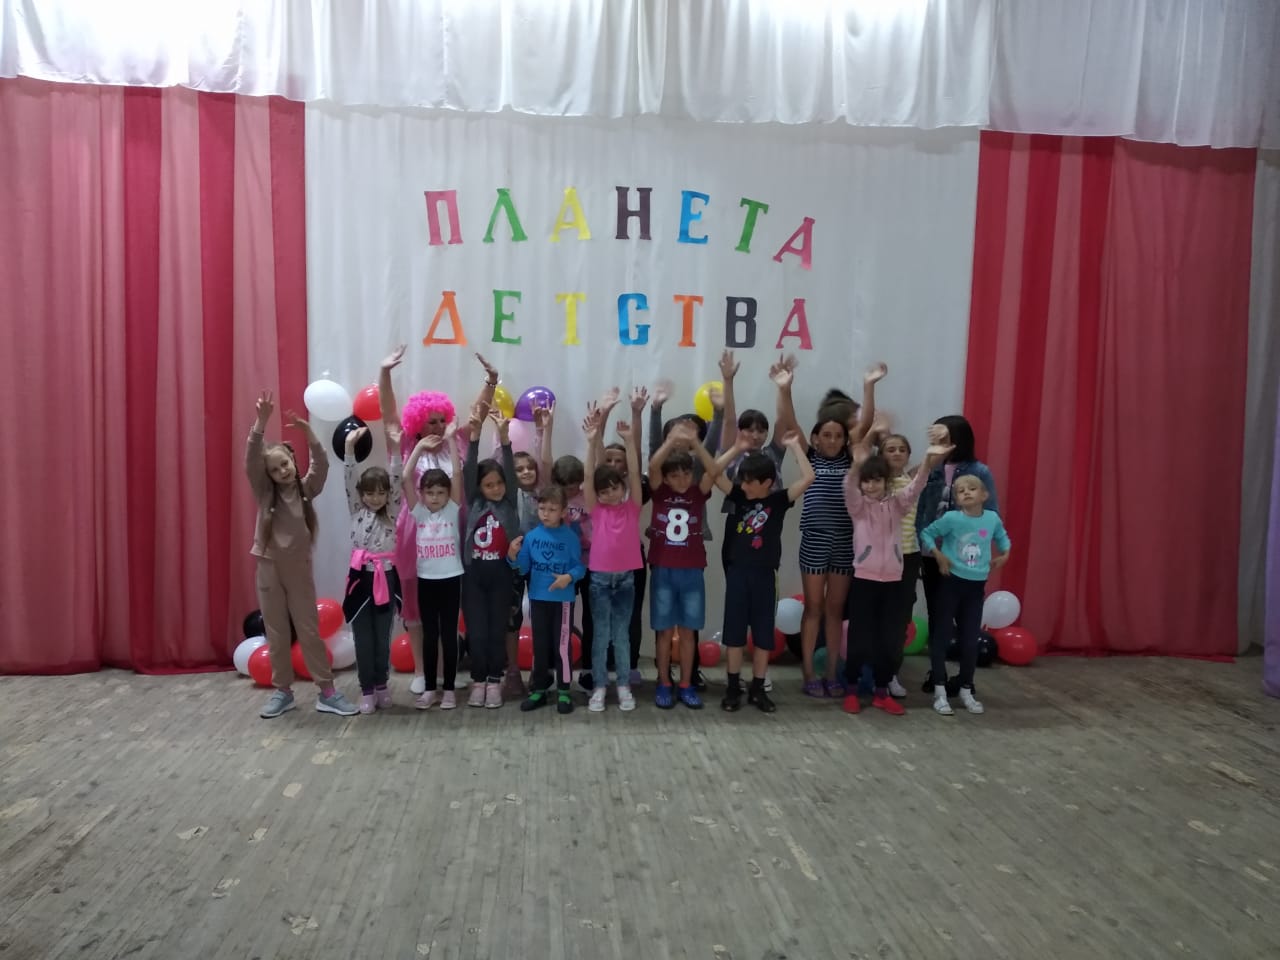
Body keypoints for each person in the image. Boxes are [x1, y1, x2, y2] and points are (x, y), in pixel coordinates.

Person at [380, 346, 497, 694]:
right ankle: (422, 670)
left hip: (455, 532)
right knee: (416, 604)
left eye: (441, 419)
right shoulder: (404, 444)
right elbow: (387, 414)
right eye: (429, 421)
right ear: (416, 422)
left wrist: (491, 381)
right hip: (414, 533)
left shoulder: (457, 441)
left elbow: (478, 413)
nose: (436, 426)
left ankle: (447, 670)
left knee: (451, 600)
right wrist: (385, 373)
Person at [247, 390, 357, 719]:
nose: (282, 471)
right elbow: (251, 460)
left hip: (297, 569)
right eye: (275, 469)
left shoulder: (305, 489)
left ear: (293, 462)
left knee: (308, 629)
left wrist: (309, 433)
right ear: (268, 475)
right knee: (277, 631)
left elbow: (321, 464)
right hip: (269, 568)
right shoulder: (265, 493)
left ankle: (327, 692)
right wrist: (261, 423)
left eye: (285, 464)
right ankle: (283, 692)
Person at [784, 363, 886, 697]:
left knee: (835, 610)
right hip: (814, 541)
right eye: (826, 435)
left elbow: (865, 424)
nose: (831, 440)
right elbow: (791, 424)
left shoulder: (850, 461)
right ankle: (808, 673)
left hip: (844, 543)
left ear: (845, 439)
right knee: (813, 608)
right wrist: (784, 388)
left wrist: (869, 385)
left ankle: (830, 672)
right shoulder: (809, 457)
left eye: (838, 435)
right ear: (816, 438)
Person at [841, 435, 949, 715]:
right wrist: (857, 465)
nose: (871, 485)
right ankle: (851, 690)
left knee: (889, 640)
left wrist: (927, 460)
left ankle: (881, 692)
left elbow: (916, 487)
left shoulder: (897, 505)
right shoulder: (858, 507)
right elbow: (849, 487)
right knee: (859, 639)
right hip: (864, 580)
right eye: (867, 481)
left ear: (886, 482)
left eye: (877, 480)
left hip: (893, 580)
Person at [648, 420, 739, 709]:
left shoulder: (698, 493)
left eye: (686, 474)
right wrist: (670, 440)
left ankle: (686, 683)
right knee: (664, 632)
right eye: (674, 476)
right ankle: (664, 682)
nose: (681, 480)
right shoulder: (660, 492)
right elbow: (653, 466)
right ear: (666, 479)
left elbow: (714, 471)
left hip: (692, 571)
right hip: (663, 569)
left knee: (688, 632)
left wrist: (696, 444)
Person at [720, 433, 814, 713]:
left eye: (750, 481)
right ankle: (733, 687)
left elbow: (809, 477)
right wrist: (736, 448)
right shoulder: (739, 497)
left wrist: (795, 447)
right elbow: (714, 474)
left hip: (764, 576)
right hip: (738, 573)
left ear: (767, 482)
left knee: (762, 635)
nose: (744, 485)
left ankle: (758, 688)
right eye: (743, 479)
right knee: (734, 634)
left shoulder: (779, 501)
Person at [914, 415, 1000, 694]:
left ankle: (965, 679)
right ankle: (937, 674)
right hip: (932, 554)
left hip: (965, 559)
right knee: (937, 614)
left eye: (943, 435)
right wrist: (921, 542)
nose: (938, 440)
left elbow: (991, 513)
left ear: (957, 438)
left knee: (966, 618)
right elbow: (920, 508)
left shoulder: (979, 471)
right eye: (935, 435)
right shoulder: (932, 468)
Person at [918, 474, 1011, 715]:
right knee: (941, 636)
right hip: (951, 584)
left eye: (972, 489)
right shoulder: (951, 518)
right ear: (957, 499)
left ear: (984, 495)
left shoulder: (991, 519)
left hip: (975, 588)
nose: (966, 493)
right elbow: (927, 534)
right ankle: (940, 691)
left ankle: (966, 688)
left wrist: (1004, 554)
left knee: (970, 640)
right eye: (960, 491)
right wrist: (938, 555)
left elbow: (1003, 538)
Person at [461, 406, 524, 708]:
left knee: (498, 630)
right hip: (474, 576)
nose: (496, 488)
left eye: (499, 483)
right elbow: (469, 470)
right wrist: (474, 437)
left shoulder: (509, 501)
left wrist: (504, 437)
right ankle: (478, 681)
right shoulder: (474, 502)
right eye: (489, 485)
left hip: (501, 574)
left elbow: (509, 470)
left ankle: (494, 681)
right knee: (477, 632)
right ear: (479, 488)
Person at [582, 413, 644, 713]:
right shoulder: (596, 509)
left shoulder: (633, 507)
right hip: (599, 580)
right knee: (601, 636)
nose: (609, 494)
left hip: (626, 579)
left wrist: (630, 442)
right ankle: (599, 686)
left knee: (621, 636)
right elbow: (588, 477)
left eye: (614, 488)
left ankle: (622, 685)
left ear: (622, 487)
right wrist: (591, 442)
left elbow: (634, 473)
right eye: (603, 491)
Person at [508, 486, 586, 715]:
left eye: (552, 509)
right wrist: (511, 556)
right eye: (542, 508)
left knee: (562, 646)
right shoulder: (532, 537)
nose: (546, 513)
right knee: (540, 646)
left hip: (563, 602)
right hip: (538, 599)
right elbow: (523, 568)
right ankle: (539, 689)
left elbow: (580, 567)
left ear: (563, 511)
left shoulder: (570, 537)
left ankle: (564, 690)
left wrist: (568, 577)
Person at [402, 423, 464, 709]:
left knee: (449, 634)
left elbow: (457, 474)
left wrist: (450, 440)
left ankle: (448, 689)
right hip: (426, 580)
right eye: (430, 492)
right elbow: (406, 477)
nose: (436, 497)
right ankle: (430, 688)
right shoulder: (419, 513)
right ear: (422, 494)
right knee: (430, 635)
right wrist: (418, 447)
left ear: (448, 495)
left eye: (441, 492)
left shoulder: (452, 509)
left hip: (451, 579)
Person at [342, 425, 402, 714]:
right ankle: (366, 688)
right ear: (361, 495)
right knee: (362, 636)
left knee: (382, 635)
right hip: (360, 579)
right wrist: (349, 449)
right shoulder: (357, 510)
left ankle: (381, 684)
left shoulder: (392, 512)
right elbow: (349, 478)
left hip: (386, 577)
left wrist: (396, 448)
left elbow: (397, 479)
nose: (375, 498)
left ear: (388, 495)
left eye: (380, 493)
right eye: (369, 493)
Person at [501, 399, 554, 700]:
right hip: (514, 564)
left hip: (541, 565)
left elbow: (544, 461)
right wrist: (503, 437)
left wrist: (542, 430)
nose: (526, 472)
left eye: (529, 468)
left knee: (541, 619)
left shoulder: (541, 492)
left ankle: (539, 668)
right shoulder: (508, 495)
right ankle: (511, 672)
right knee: (512, 619)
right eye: (519, 469)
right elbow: (506, 464)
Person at [882, 432, 920, 698]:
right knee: (878, 615)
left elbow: (931, 463)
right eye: (890, 449)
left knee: (900, 617)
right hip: (880, 557)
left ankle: (891, 673)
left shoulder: (913, 481)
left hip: (908, 556)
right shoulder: (876, 481)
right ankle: (871, 670)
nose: (896, 453)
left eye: (901, 450)